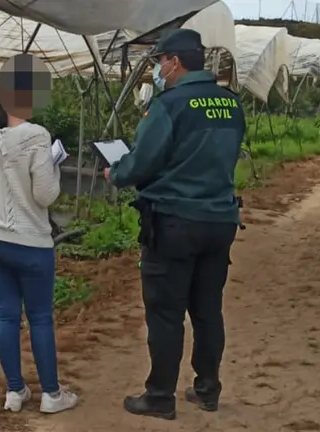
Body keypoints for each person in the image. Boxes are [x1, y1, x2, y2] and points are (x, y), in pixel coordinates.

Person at [103, 28, 245, 420]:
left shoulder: (169, 105)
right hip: (219, 219)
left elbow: (142, 163)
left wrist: (115, 173)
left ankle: (160, 396)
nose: (158, 69)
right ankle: (207, 389)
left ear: (175, 61)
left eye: (160, 61)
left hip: (174, 221)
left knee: (166, 312)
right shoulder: (231, 104)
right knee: (207, 309)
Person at [0, 100, 78, 414]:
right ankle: (51, 395)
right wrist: (54, 166)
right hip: (30, 241)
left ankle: (15, 391)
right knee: (40, 317)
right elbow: (45, 194)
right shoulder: (37, 136)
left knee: (6, 315)